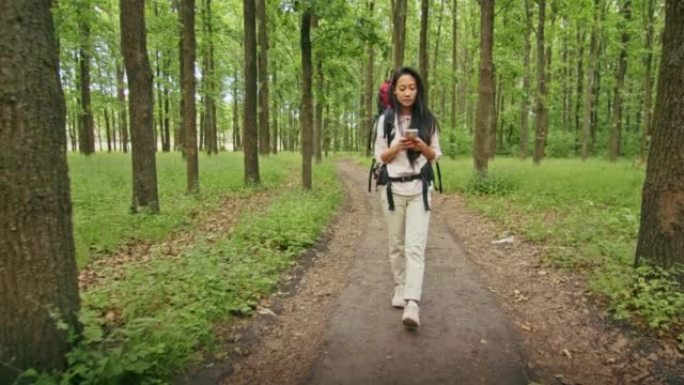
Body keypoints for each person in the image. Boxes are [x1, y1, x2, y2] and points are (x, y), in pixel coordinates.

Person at [373, 67, 442, 329]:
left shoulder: (427, 120)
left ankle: (412, 302)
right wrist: (397, 148)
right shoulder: (385, 121)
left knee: (415, 247)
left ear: (418, 89)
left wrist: (421, 147)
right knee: (396, 245)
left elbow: (435, 154)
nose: (407, 92)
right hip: (392, 190)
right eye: (402, 88)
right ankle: (400, 287)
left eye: (412, 87)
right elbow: (380, 157)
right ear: (394, 91)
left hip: (419, 191)